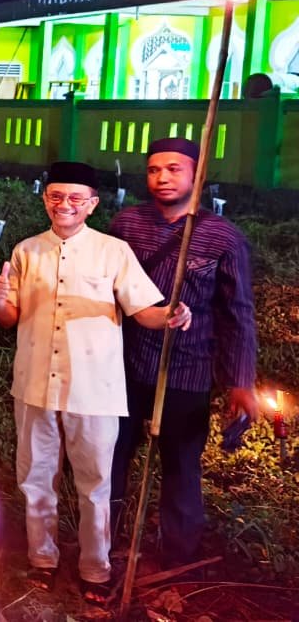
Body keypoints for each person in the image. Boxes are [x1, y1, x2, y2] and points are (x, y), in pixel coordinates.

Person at [0, 160, 191, 607]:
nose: (65, 205)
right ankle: (41, 558)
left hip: (93, 389)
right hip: (34, 384)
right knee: (36, 478)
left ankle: (95, 568)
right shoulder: (27, 251)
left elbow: (145, 310)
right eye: (56, 196)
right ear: (45, 200)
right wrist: (0, 300)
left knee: (95, 483)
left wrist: (171, 316)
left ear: (93, 205)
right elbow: (10, 318)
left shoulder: (113, 251)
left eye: (75, 198)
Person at [109, 137, 258, 566]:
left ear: (197, 174)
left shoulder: (221, 237)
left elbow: (238, 313)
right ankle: (106, 542)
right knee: (114, 457)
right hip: (127, 368)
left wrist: (240, 381)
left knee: (180, 468)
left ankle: (179, 558)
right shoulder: (127, 226)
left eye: (174, 169)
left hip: (188, 373)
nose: (162, 178)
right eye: (154, 169)